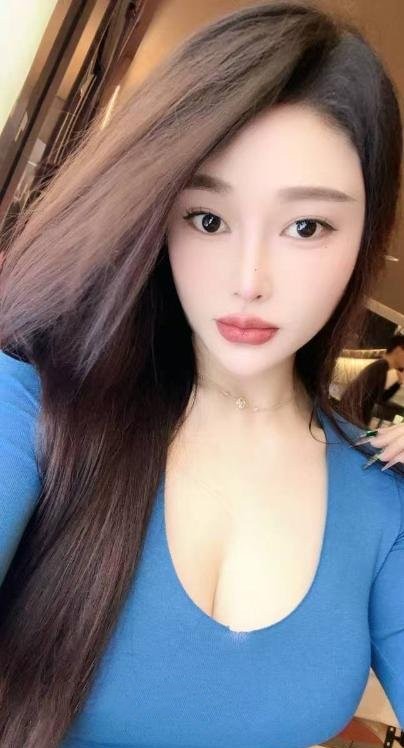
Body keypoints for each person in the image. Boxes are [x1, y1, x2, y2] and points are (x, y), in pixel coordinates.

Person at [0, 1, 403, 746]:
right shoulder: (31, 407)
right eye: (208, 219)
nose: (248, 281)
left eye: (306, 226)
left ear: (364, 236)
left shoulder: (380, 496)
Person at [339, 334, 404, 427]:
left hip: (350, 419)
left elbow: (380, 398)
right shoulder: (380, 367)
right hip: (349, 420)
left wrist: (398, 383)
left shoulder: (381, 367)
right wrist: (361, 427)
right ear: (398, 350)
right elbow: (362, 400)